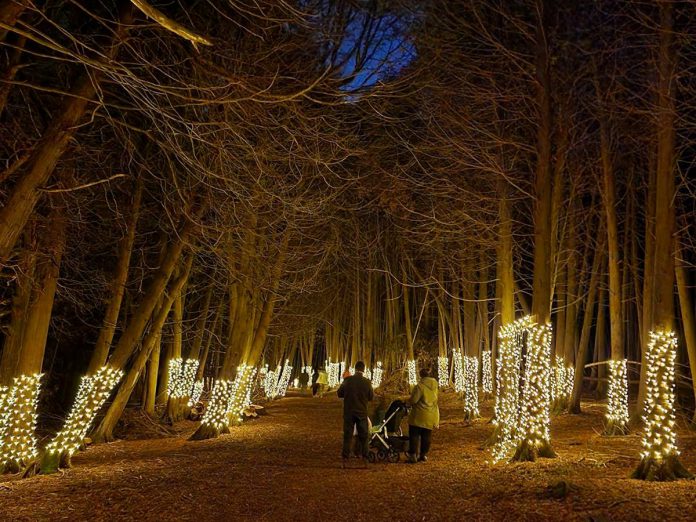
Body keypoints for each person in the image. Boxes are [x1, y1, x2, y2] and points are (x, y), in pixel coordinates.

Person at [337, 360, 374, 460]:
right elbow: (371, 397)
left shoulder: (348, 380)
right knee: (364, 435)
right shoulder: (367, 382)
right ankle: (365, 455)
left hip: (349, 411)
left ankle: (345, 455)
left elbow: (339, 393)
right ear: (363, 370)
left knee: (348, 435)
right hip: (362, 412)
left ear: (355, 369)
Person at [406, 367, 439, 463]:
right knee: (426, 435)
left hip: (419, 414)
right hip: (430, 413)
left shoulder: (419, 386)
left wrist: (407, 402)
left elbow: (414, 400)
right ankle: (423, 454)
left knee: (414, 435)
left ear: (420, 376)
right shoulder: (435, 386)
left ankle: (413, 455)